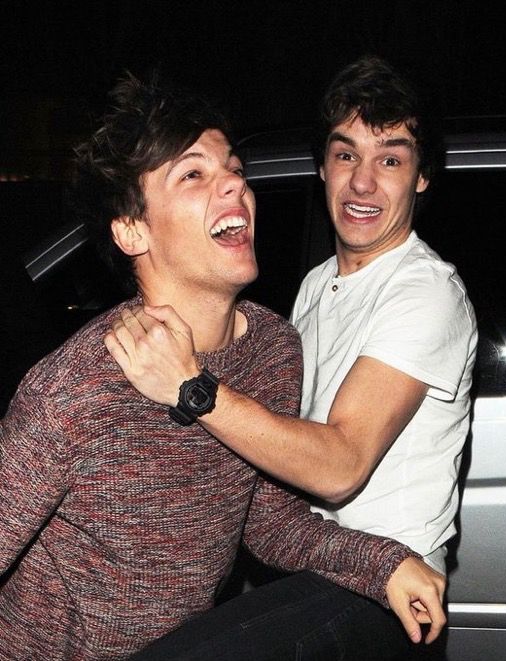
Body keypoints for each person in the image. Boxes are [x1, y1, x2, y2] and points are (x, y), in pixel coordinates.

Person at [0, 71, 445, 660]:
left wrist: (382, 564)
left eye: (233, 169)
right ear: (132, 231)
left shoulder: (272, 349)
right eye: (193, 174)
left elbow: (268, 522)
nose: (235, 183)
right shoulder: (79, 385)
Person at [107, 56, 477, 655]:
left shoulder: (426, 290)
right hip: (311, 560)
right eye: (346, 155)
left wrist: (192, 388)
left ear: (421, 177)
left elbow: (339, 465)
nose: (363, 183)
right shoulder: (317, 284)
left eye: (390, 160)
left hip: (386, 589)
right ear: (323, 167)